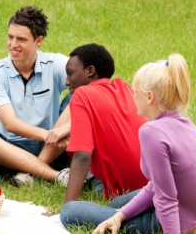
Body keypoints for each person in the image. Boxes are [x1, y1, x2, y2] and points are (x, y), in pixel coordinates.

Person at [60, 54, 196, 234]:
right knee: (116, 206)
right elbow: (157, 184)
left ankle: (156, 226)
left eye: (136, 92)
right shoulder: (183, 122)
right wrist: (120, 215)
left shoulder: (151, 132)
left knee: (69, 212)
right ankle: (119, 214)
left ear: (149, 97)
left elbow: (166, 198)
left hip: (178, 223)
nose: (132, 97)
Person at [0, 6, 71, 187]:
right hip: (13, 148)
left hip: (54, 147)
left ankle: (30, 171)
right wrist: (49, 135)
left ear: (38, 40)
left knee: (79, 97)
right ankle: (56, 176)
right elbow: (10, 123)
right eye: (10, 37)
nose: (13, 44)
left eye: (21, 39)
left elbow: (92, 90)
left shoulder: (55, 63)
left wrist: (63, 132)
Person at [63, 43, 148, 202]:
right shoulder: (124, 87)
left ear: (90, 71)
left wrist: (68, 207)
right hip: (155, 185)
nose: (67, 82)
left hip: (128, 196)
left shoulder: (82, 94)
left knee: (73, 212)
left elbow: (82, 155)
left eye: (70, 73)